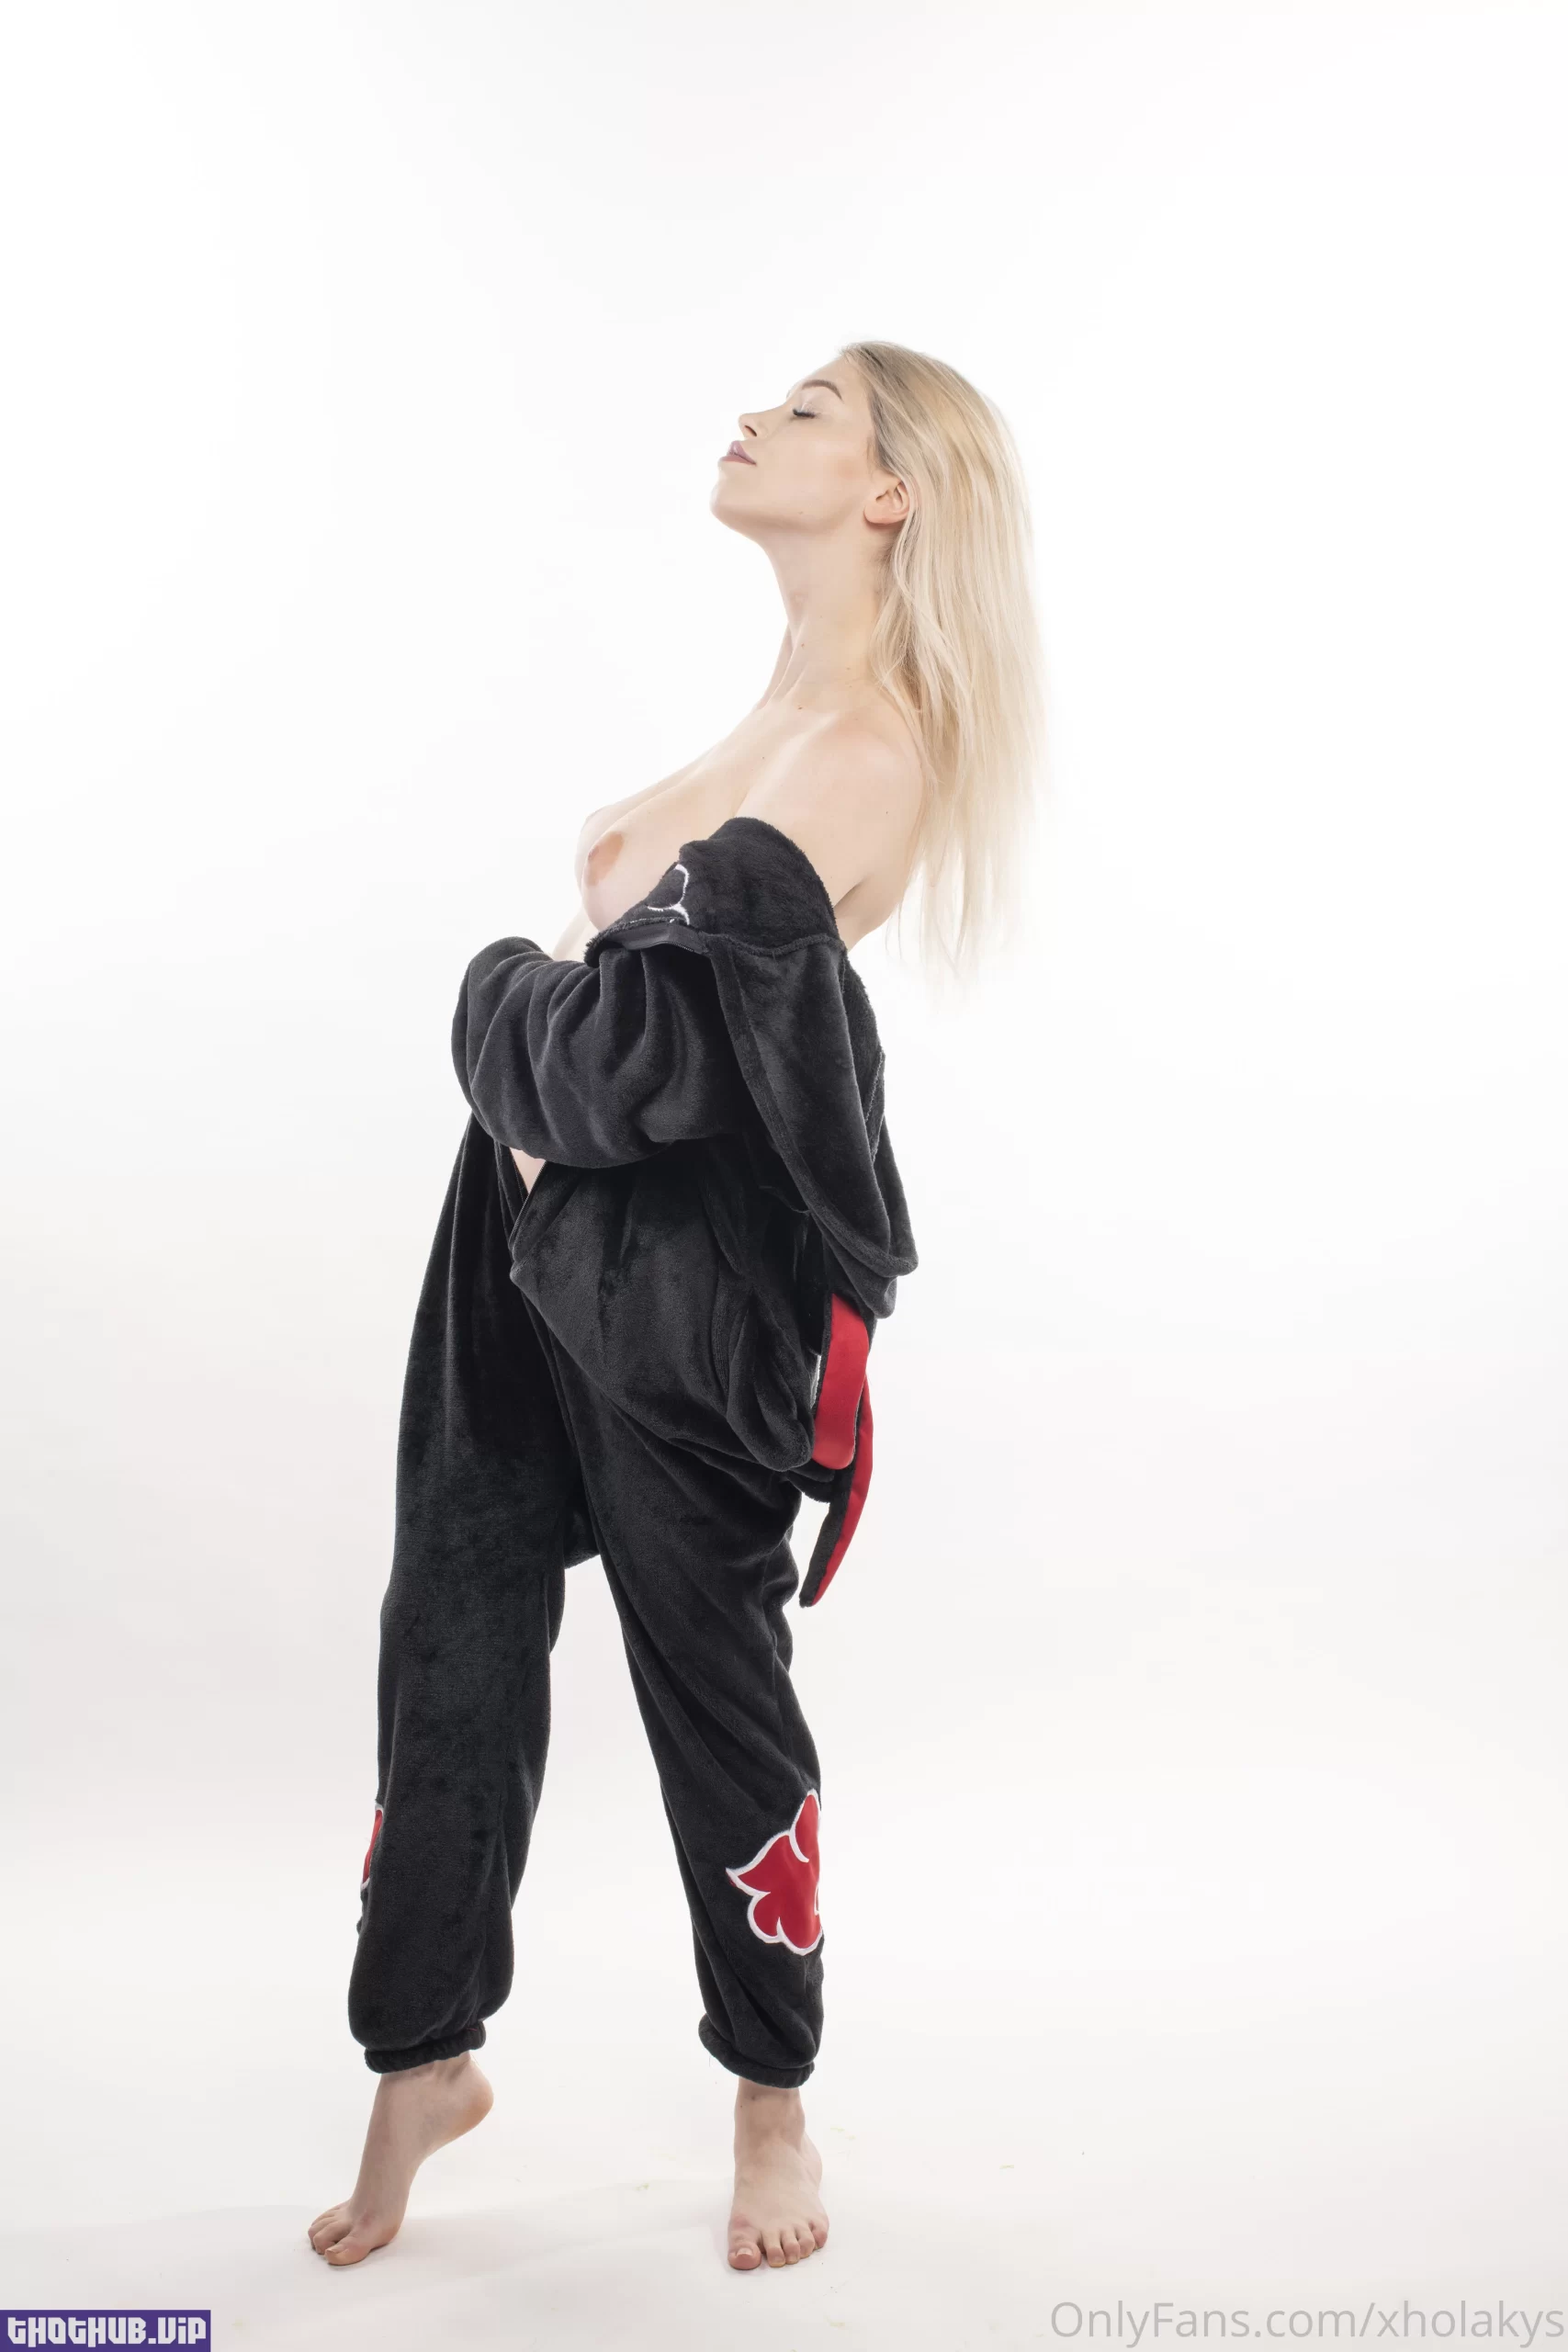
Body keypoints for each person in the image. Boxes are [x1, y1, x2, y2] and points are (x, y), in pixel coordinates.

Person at [309, 340, 1045, 2272]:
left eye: (809, 409)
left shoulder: (863, 750)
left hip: (683, 1286)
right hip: (504, 1246)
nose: (754, 418)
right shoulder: (770, 719)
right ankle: (421, 2054)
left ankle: (771, 2093)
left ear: (888, 492)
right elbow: (604, 1048)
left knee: (710, 1682)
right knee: (451, 1629)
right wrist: (537, 1042)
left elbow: (619, 1071)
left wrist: (489, 981)